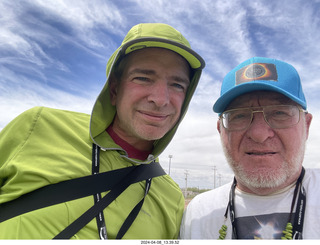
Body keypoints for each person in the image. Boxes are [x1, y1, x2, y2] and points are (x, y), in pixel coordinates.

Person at [0, 23, 205, 239]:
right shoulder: (39, 126)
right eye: (143, 78)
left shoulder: (171, 197)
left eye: (177, 85)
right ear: (114, 89)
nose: (160, 99)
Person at [179, 57, 319, 239]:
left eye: (279, 112)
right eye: (239, 116)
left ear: (306, 126)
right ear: (221, 130)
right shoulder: (198, 213)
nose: (259, 134)